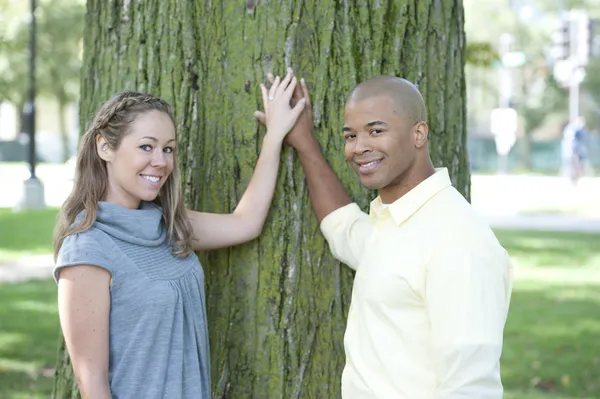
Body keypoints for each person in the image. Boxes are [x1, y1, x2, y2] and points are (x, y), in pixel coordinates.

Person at [257, 74, 514, 398]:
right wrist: (305, 142)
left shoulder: (458, 240)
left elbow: (470, 387)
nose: (359, 147)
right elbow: (344, 228)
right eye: (350, 135)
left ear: (418, 134)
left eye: (376, 131)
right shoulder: (395, 222)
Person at [53, 70, 305, 399]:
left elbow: (246, 222)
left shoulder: (168, 226)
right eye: (146, 146)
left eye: (168, 149)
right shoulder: (87, 249)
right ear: (105, 147)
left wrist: (274, 136)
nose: (160, 161)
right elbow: (92, 383)